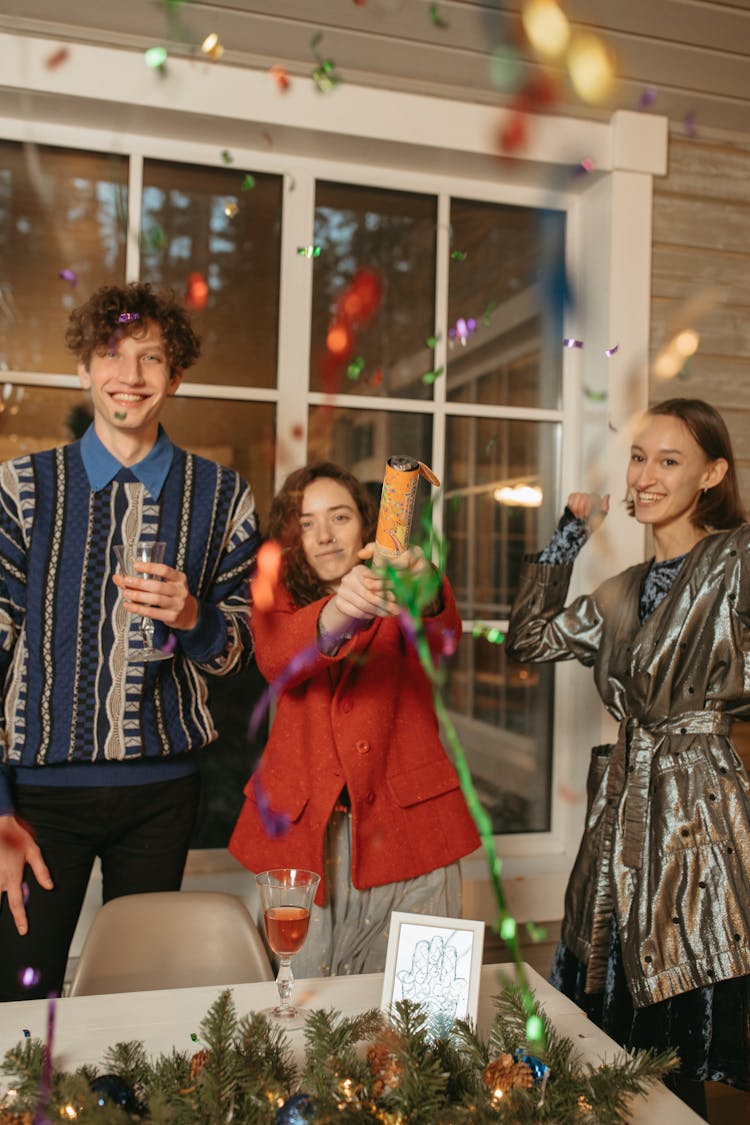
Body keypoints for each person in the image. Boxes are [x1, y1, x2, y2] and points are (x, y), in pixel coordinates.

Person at [0, 282, 260, 1001]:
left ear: (175, 376)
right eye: (112, 353)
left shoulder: (222, 495)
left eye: (151, 358)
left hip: (162, 793)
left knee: (138, 997)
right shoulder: (22, 488)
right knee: (20, 995)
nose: (130, 376)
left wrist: (195, 619)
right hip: (35, 801)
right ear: (85, 366)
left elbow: (239, 653)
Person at [506, 398, 750, 1115]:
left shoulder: (736, 559)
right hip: (618, 821)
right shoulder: (624, 592)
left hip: (693, 824)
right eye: (639, 457)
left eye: (669, 461)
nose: (644, 475)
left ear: (712, 474)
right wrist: (568, 536)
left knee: (675, 1042)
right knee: (605, 1046)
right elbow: (530, 638)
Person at [229, 461, 479, 976]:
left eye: (339, 517)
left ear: (366, 525)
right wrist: (343, 609)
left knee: (425, 1014)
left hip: (412, 835)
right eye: (306, 522)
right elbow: (277, 657)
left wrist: (425, 584)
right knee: (300, 1013)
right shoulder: (274, 600)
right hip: (304, 841)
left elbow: (444, 637)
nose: (323, 535)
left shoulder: (402, 589)